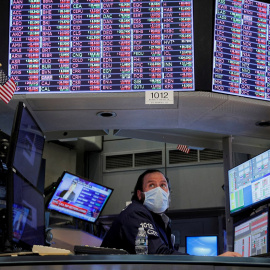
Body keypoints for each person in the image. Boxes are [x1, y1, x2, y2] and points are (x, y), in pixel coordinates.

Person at [101, 169, 241, 257]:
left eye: (163, 185)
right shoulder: (136, 213)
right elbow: (158, 255)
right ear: (140, 194)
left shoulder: (159, 220)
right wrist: (214, 261)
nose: (158, 190)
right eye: (151, 185)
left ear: (168, 193)